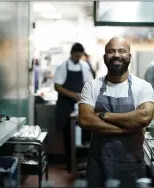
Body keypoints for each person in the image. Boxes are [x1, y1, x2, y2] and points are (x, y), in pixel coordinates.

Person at [78, 37, 154, 187]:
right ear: (104, 57)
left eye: (122, 51)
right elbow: (85, 120)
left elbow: (144, 117)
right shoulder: (91, 86)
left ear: (129, 57)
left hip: (132, 166)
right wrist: (128, 127)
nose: (116, 55)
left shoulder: (143, 87)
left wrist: (103, 115)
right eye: (111, 51)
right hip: (98, 167)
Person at [53, 42, 94, 173]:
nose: (78, 58)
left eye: (80, 56)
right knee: (68, 134)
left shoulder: (84, 66)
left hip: (80, 105)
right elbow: (57, 86)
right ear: (71, 54)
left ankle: (83, 162)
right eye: (76, 56)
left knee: (85, 131)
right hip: (65, 105)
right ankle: (70, 164)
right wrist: (73, 95)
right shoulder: (62, 67)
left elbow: (89, 83)